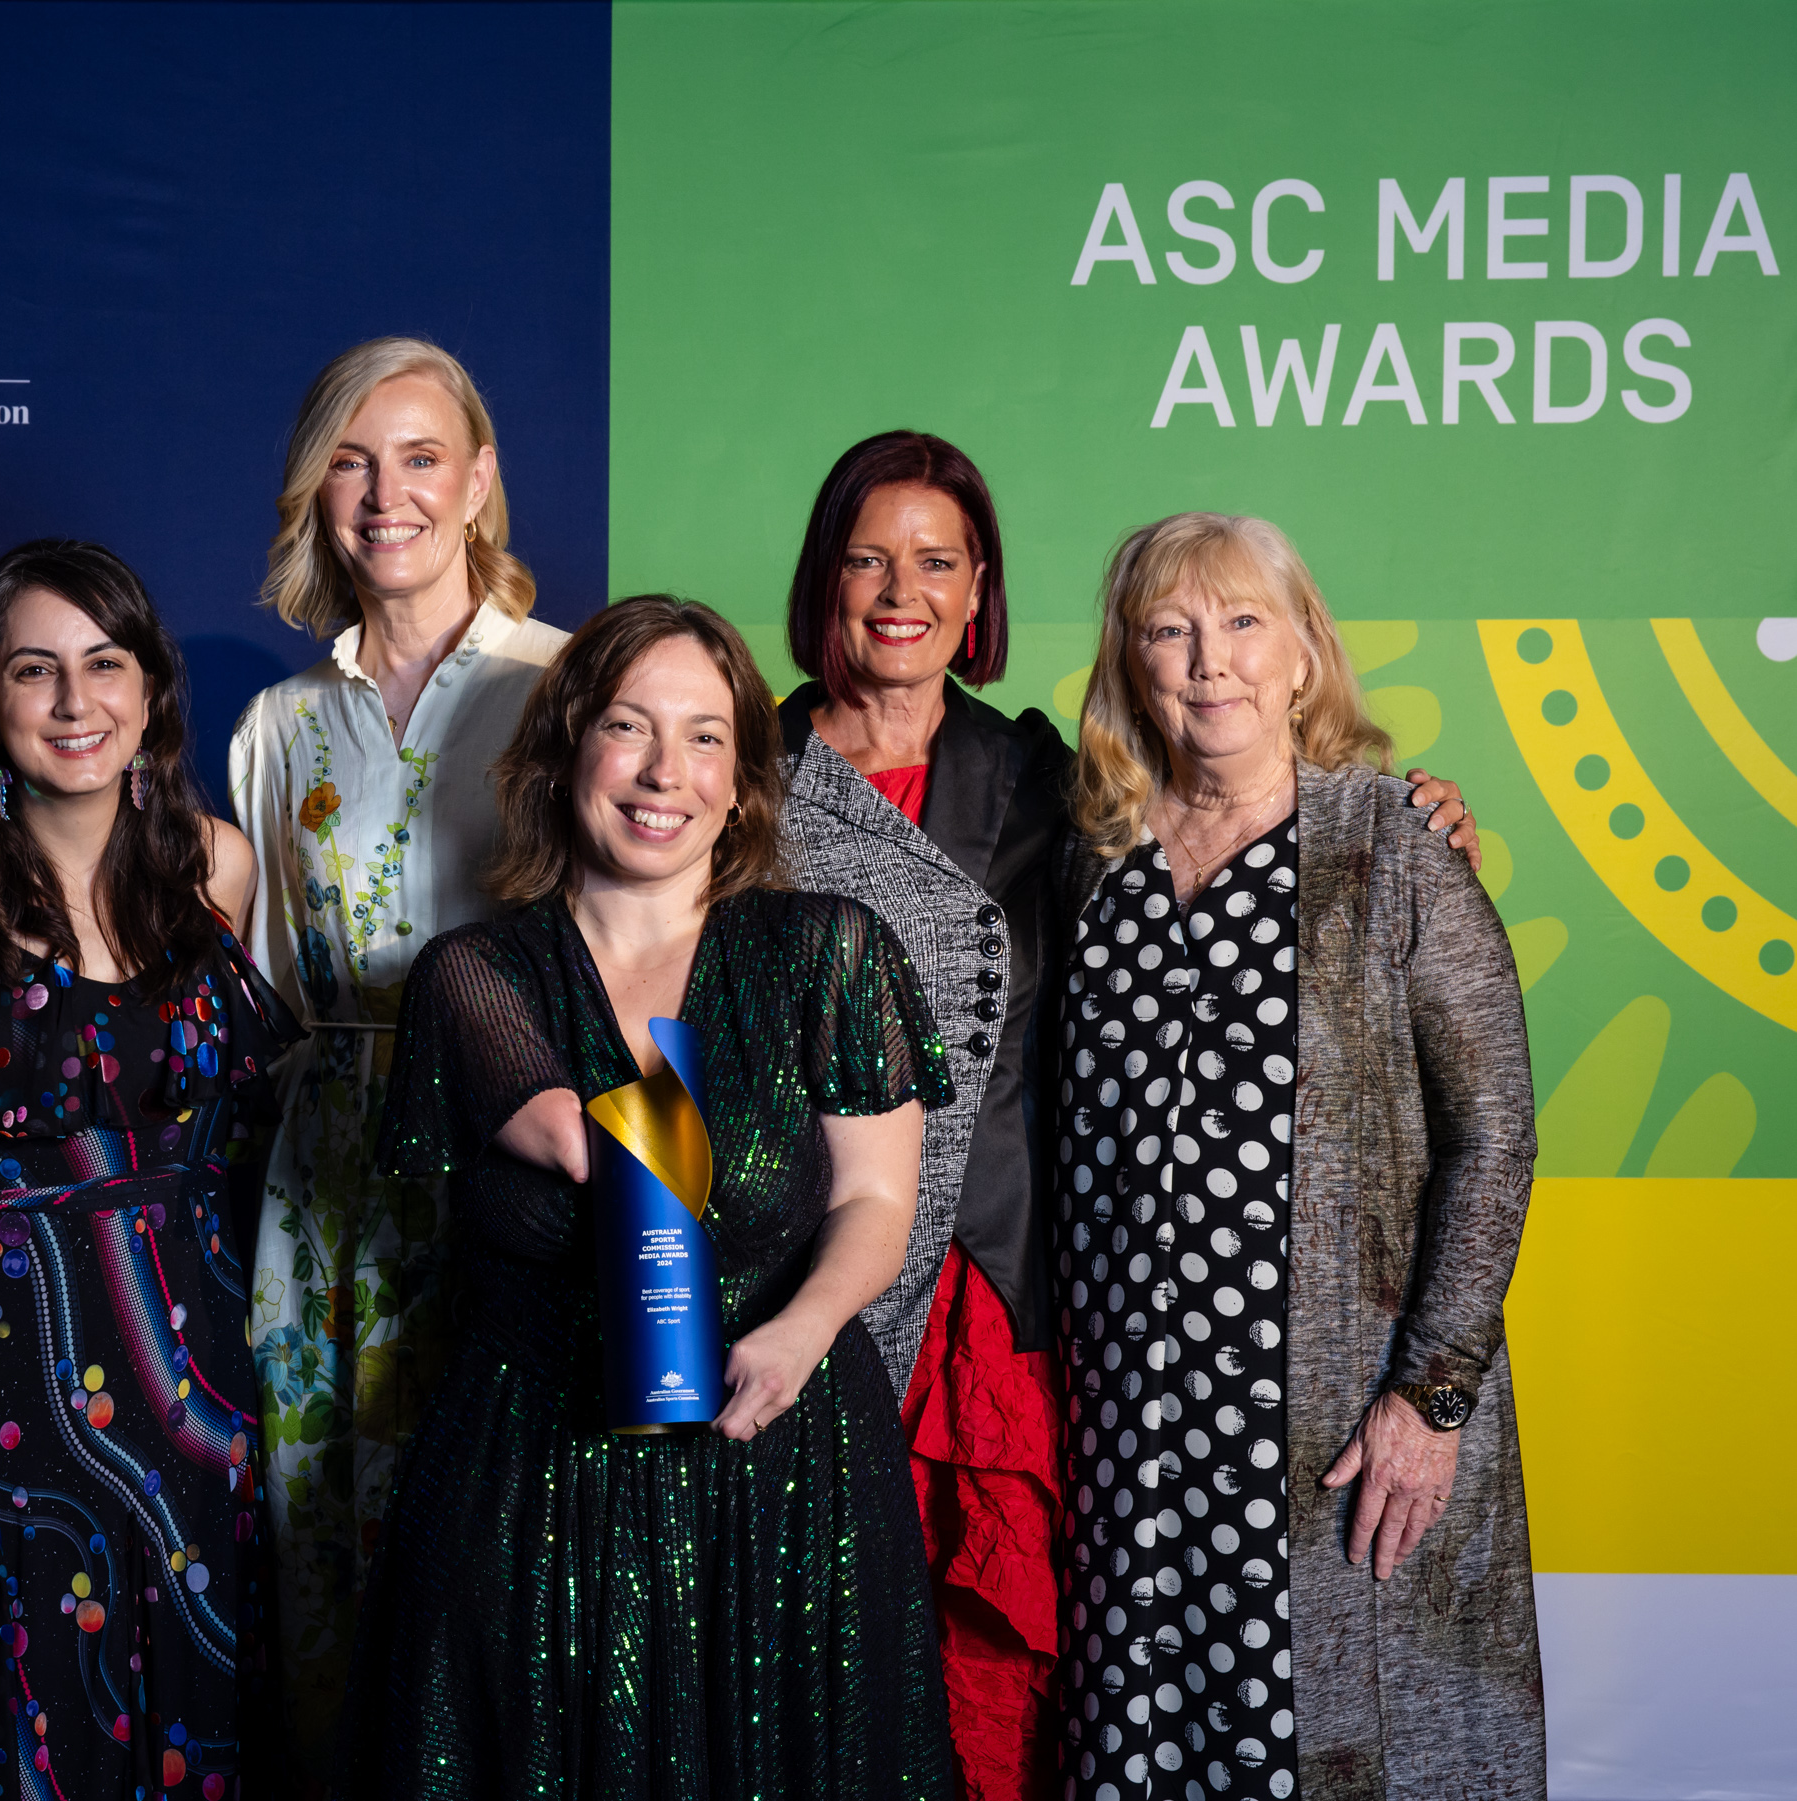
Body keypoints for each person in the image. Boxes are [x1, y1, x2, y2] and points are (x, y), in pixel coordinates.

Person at [772, 433, 1481, 1801]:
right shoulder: (734, 768)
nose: (900, 590)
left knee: (1012, 1675)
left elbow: (1476, 1119)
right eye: (867, 558)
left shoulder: (1045, 787)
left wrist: (1413, 814)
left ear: (980, 592)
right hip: (797, 1285)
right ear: (823, 581)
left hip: (996, 1294)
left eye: (937, 560)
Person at [344, 597, 957, 1796]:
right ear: (566, 749)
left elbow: (878, 1202)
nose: (664, 770)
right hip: (536, 1488)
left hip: (787, 1473)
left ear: (743, 781)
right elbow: (588, 1142)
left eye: (706, 737)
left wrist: (803, 1327)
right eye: (628, 727)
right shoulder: (475, 977)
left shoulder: (832, 950)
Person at [1053, 514, 1543, 1801]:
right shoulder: (1090, 859)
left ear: (1305, 654)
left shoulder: (1395, 845)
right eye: (1172, 630)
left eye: (1243, 624)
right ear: (1129, 662)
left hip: (1345, 1413)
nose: (1211, 662)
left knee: (1337, 1754)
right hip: (1138, 1431)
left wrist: (1429, 1399)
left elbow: (1493, 1141)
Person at [0, 539, 296, 1799]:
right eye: (36, 670)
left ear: (153, 690)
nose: (76, 703)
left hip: (201, 1352)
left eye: (105, 664)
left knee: (202, 1678)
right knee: (24, 1691)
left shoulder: (218, 868)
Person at [227, 336, 571, 1778]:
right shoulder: (279, 723)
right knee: (326, 1554)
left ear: (480, 479)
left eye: (421, 456)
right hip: (327, 1196)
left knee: (506, 1549)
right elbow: (253, 990)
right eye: (352, 462)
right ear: (316, 493)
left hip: (522, 1165)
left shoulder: (571, 685)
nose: (387, 494)